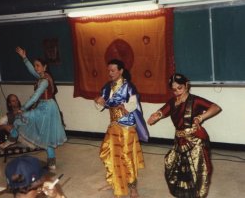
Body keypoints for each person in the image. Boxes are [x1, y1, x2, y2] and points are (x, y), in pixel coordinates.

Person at [147, 73, 222, 198]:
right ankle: (186, 194)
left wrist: (201, 117)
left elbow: (216, 107)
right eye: (174, 89)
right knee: (173, 165)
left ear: (186, 86)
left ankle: (198, 195)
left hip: (195, 139)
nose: (177, 92)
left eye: (179, 88)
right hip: (179, 140)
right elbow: (163, 111)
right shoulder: (173, 102)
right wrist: (156, 116)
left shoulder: (195, 100)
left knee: (198, 170)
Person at [94, 59, 148, 198]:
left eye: (113, 70)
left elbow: (134, 104)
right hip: (113, 126)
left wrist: (125, 108)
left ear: (121, 71)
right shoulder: (107, 87)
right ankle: (113, 181)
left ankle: (133, 188)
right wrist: (98, 101)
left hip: (126, 127)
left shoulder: (128, 86)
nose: (110, 73)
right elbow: (103, 104)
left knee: (127, 157)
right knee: (108, 153)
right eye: (109, 71)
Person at [14, 46, 67, 170]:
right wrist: (24, 58)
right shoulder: (42, 76)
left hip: (47, 108)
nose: (36, 68)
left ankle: (12, 136)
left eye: (38, 65)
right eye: (35, 65)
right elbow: (32, 71)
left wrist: (23, 107)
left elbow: (35, 97)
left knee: (25, 119)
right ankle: (51, 162)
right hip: (46, 106)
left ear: (45, 67)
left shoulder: (44, 81)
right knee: (46, 134)